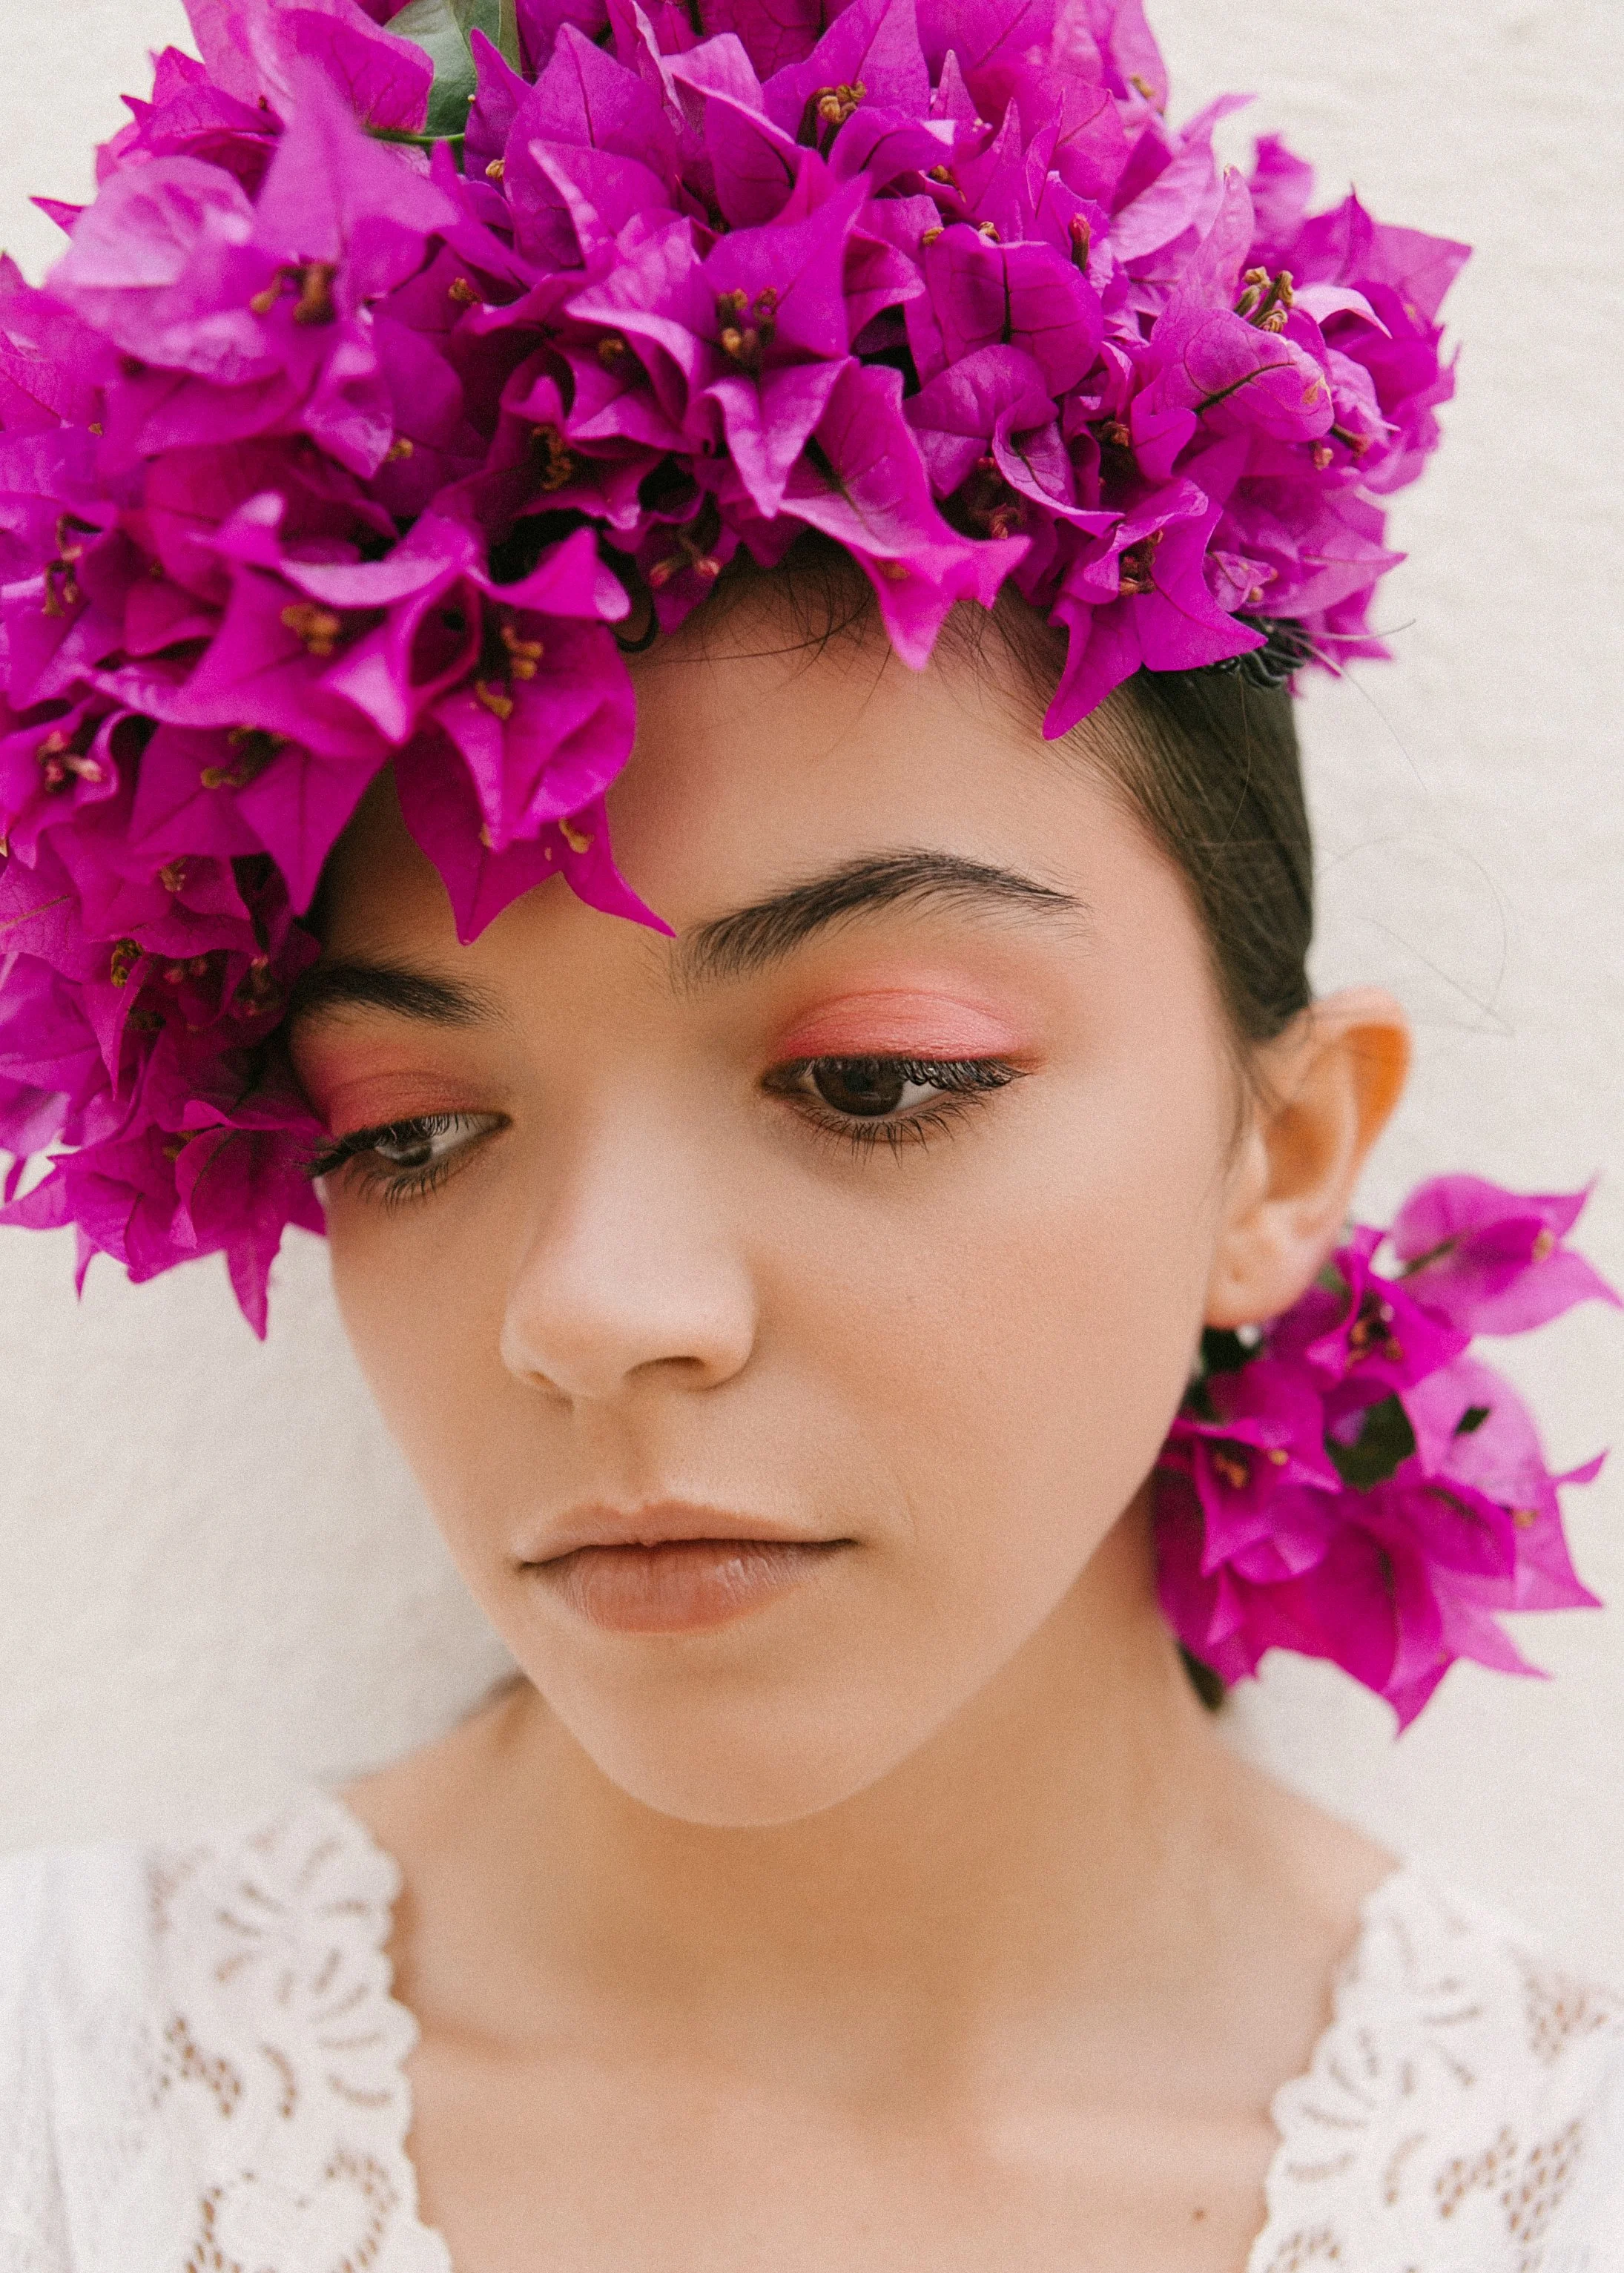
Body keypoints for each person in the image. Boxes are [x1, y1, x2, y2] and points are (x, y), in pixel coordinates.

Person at [0, 1, 1619, 2266]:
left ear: (1274, 1159)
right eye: (408, 1127)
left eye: (874, 1079)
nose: (594, 1316)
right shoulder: (59, 2128)